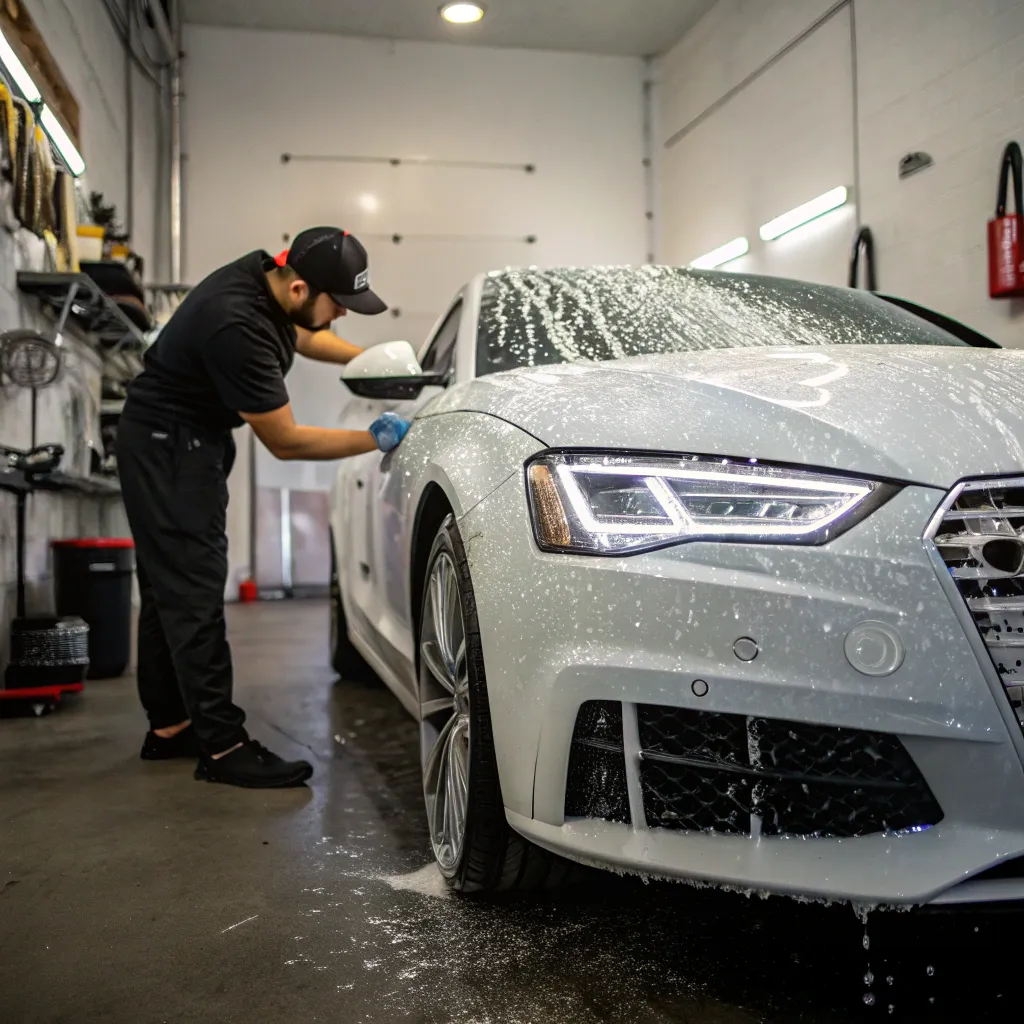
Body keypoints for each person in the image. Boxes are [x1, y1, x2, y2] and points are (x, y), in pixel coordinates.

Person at [117, 227, 410, 789]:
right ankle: (224, 748)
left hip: (175, 439)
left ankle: (173, 727)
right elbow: (288, 441)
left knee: (166, 590)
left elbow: (306, 337)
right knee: (194, 593)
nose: (343, 316)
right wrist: (374, 439)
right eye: (339, 305)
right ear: (299, 287)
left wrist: (372, 366)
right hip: (173, 448)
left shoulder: (265, 276)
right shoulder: (238, 326)